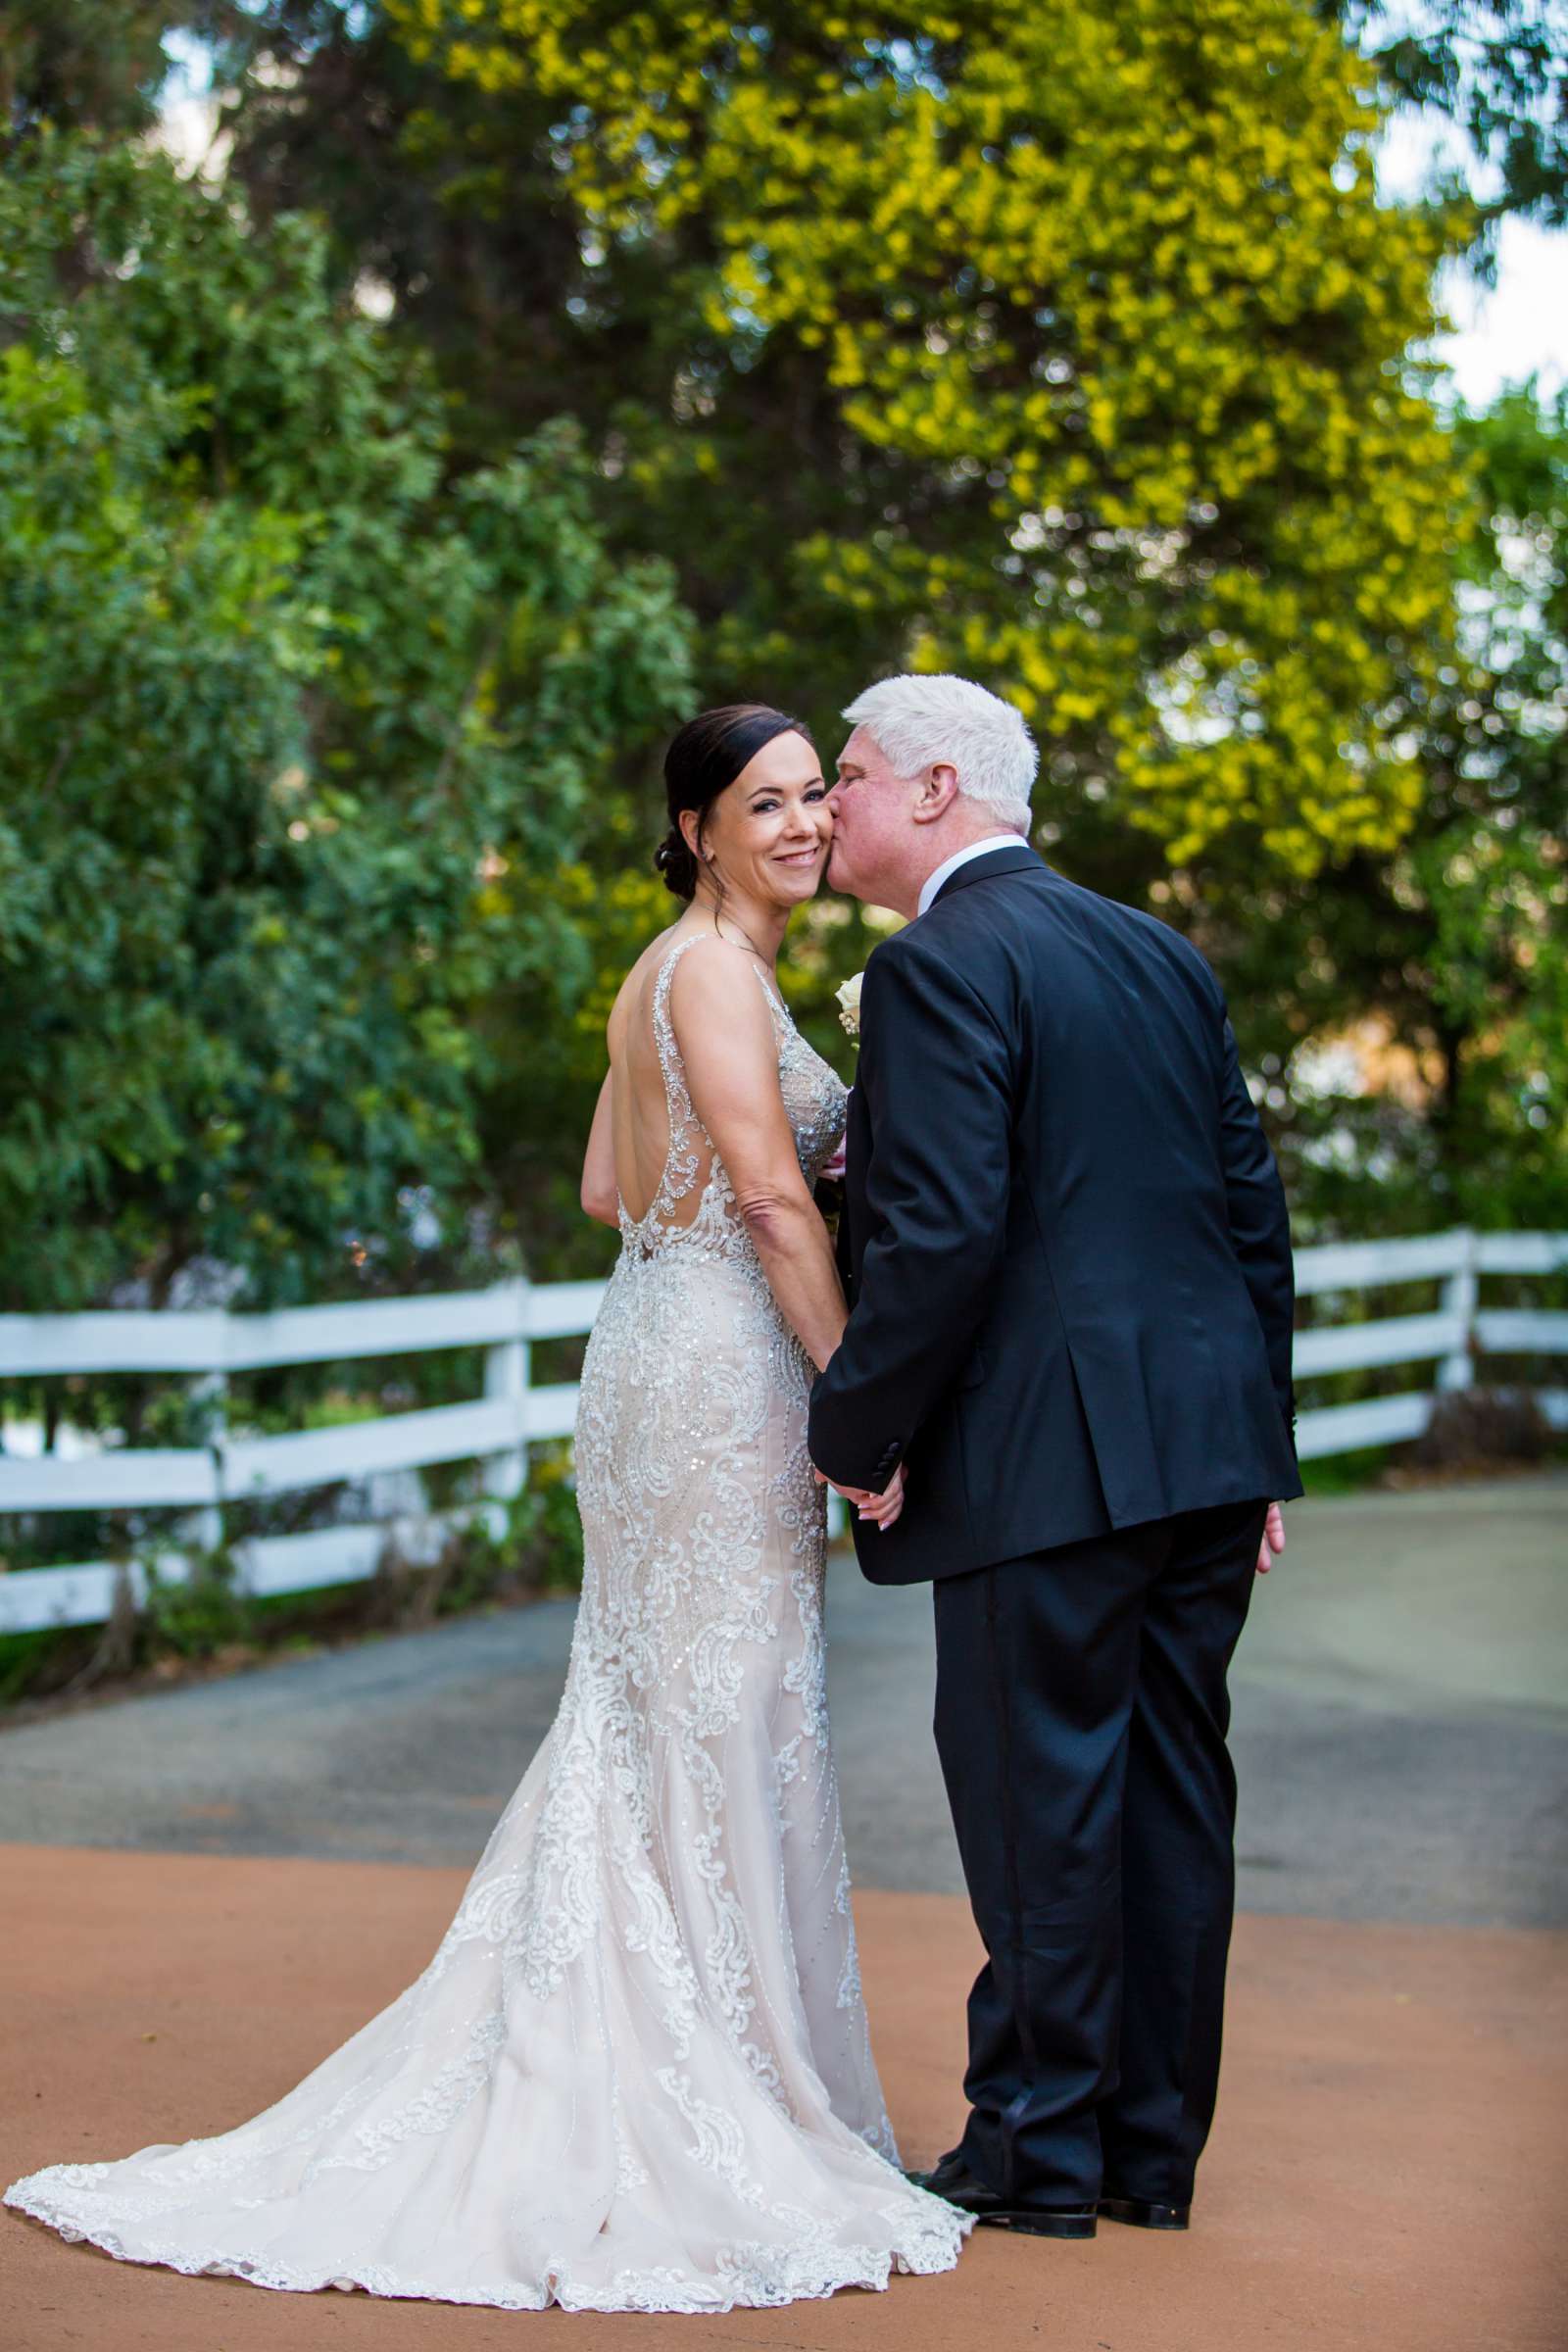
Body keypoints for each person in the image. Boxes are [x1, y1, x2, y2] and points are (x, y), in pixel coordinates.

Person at [3, 705, 967, 2315]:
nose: (803, 823)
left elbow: (606, 1191)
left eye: (816, 796)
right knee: (722, 1709)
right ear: (698, 826)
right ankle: (694, 2077)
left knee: (667, 1705)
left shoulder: (660, 974)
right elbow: (774, 1199)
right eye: (768, 802)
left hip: (650, 1343)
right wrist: (864, 1404)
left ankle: (671, 2035)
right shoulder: (719, 977)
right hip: (723, 1373)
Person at [808, 672, 1302, 2242]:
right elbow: (1249, 1211)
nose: (833, 804)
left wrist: (858, 1431)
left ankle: (1033, 2156)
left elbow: (940, 1233)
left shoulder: (940, 964)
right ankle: (1149, 2155)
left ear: (941, 790)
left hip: (1051, 1462)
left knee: (1042, 1803)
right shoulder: (1159, 952)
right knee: (1168, 1796)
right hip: (1205, 1453)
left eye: (855, 774)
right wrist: (1261, 1452)